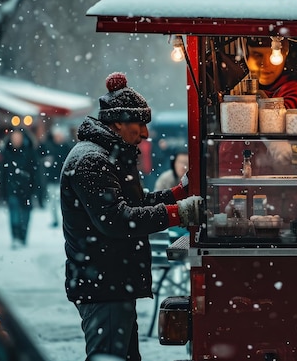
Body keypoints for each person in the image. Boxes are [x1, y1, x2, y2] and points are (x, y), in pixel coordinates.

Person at [60, 72, 201, 361]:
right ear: (118, 123)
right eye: (140, 124)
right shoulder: (92, 160)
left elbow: (134, 202)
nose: (146, 134)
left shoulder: (109, 155)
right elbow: (117, 219)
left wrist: (176, 193)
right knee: (110, 356)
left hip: (112, 281)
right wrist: (177, 214)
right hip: (103, 285)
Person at [218, 37, 297, 220]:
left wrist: (293, 154)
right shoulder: (235, 91)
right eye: (256, 55)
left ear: (284, 52)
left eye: (272, 56)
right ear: (245, 55)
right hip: (235, 207)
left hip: (284, 208)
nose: (265, 64)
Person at [0, 128, 39, 249]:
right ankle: (16, 237)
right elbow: (3, 172)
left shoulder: (30, 152)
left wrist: (35, 189)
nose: (16, 140)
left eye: (18, 137)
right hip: (12, 188)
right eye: (14, 137)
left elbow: (35, 172)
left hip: (27, 189)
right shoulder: (7, 152)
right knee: (14, 214)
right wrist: (3, 189)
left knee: (25, 215)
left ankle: (22, 236)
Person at [39, 126, 74, 227]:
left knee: (62, 200)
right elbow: (40, 155)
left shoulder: (67, 147)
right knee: (53, 201)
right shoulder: (48, 145)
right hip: (52, 177)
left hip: (63, 178)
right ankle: (55, 219)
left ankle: (63, 219)